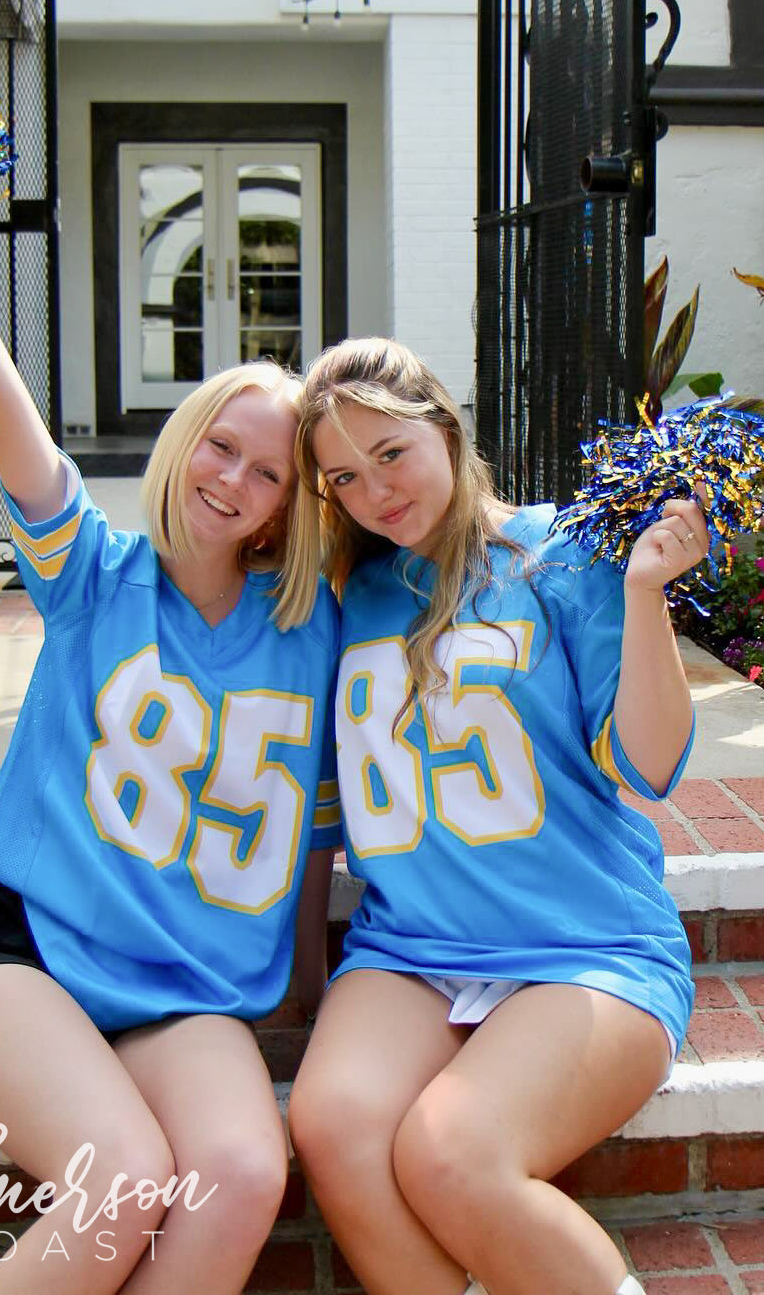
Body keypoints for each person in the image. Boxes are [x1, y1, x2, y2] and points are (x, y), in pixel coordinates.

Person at [0, 113, 341, 1295]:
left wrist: (311, 999)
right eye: (220, 446)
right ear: (185, 446)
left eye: (267, 469)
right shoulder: (94, 575)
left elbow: (318, 831)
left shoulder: (317, 631)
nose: (233, 478)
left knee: (236, 1172)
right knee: (121, 1177)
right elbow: (2, 392)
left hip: (186, 991)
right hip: (21, 960)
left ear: (288, 505)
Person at [288, 338, 706, 1295]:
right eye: (344, 478)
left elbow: (648, 768)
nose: (376, 494)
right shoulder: (347, 593)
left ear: (444, 425)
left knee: (449, 1152)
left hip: (584, 945)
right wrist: (310, 976)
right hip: (413, 949)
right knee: (333, 1127)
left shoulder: (565, 550)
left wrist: (644, 596)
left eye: (390, 455)